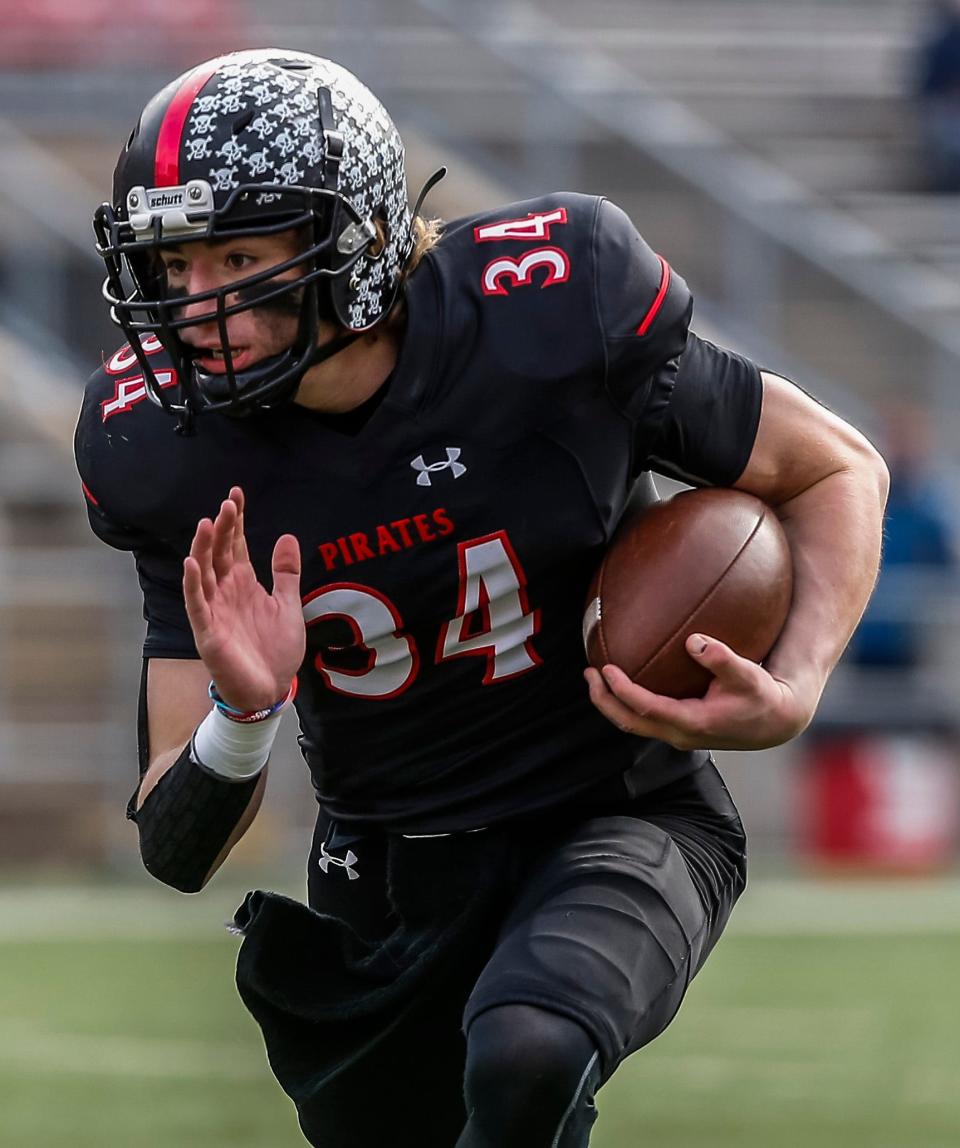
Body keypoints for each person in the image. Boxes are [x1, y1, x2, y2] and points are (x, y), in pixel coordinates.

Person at [74, 48, 888, 1148]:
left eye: (237, 255)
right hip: (392, 869)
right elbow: (175, 845)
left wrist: (794, 680)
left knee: (530, 1049)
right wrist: (244, 710)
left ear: (354, 242)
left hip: (619, 808)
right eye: (175, 269)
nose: (198, 304)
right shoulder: (159, 447)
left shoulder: (550, 311)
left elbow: (834, 466)